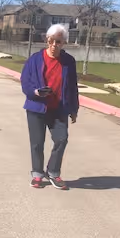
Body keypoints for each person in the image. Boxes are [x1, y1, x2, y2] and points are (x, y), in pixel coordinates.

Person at [20, 23, 79, 190]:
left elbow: (73, 87)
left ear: (64, 43)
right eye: (52, 41)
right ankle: (37, 174)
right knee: (37, 143)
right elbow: (25, 83)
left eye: (58, 42)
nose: (54, 45)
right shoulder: (35, 60)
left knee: (61, 139)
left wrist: (74, 109)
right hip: (36, 107)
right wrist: (36, 92)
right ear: (47, 40)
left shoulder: (69, 61)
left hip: (58, 109)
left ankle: (53, 172)